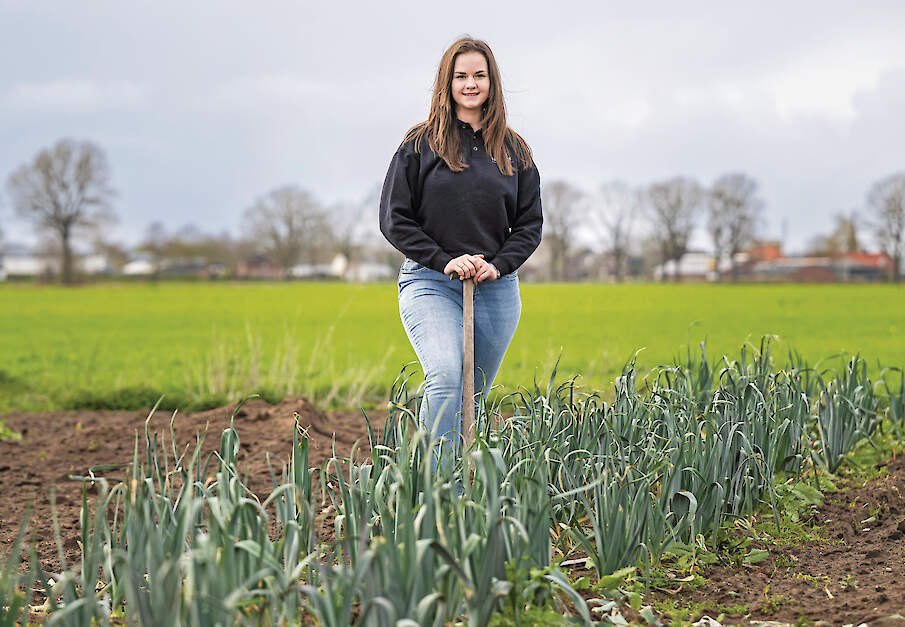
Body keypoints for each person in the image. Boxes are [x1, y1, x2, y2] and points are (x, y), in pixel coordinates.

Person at [378, 36, 543, 466]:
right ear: (447, 83)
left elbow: (529, 225)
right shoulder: (419, 145)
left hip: (496, 288)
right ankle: (435, 492)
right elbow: (395, 219)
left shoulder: (514, 149)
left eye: (479, 76)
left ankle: (466, 497)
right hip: (431, 282)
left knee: (475, 395)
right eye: (461, 76)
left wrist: (498, 264)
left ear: (492, 82)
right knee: (448, 380)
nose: (471, 84)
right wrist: (444, 259)